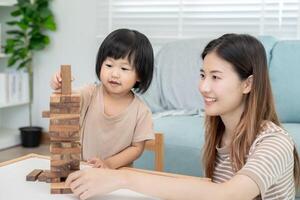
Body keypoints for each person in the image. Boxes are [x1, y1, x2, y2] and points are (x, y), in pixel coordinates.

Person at [65, 34, 300, 200]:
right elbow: (208, 188)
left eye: (215, 77)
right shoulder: (220, 133)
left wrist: (124, 178)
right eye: (202, 75)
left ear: (247, 84)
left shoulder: (274, 143)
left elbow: (227, 194)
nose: (203, 87)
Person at [50, 28, 155, 169]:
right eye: (109, 65)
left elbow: (137, 149)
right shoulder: (91, 93)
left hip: (118, 176)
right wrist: (60, 85)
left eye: (124, 69)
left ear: (140, 75)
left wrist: (108, 164)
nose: (115, 74)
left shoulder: (141, 111)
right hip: (84, 170)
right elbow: (68, 99)